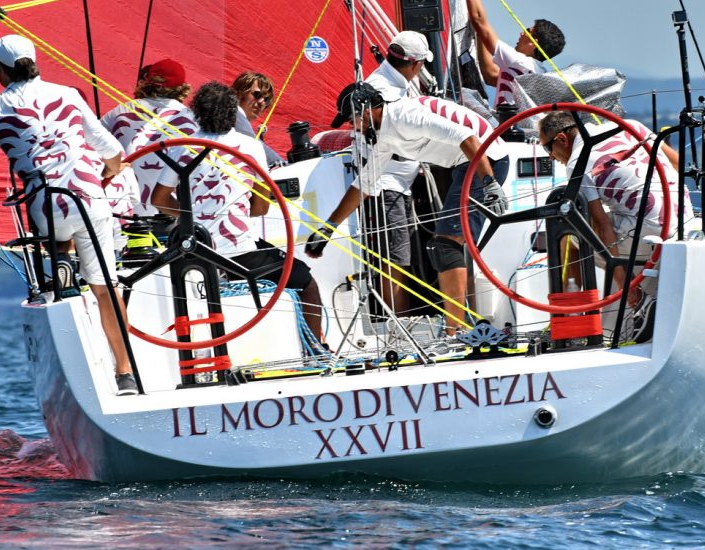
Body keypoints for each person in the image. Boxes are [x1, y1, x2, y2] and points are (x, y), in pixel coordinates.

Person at [0, 34, 137, 395]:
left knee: (57, 235)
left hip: (46, 209)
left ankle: (62, 265)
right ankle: (125, 373)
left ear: (3, 70)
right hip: (90, 200)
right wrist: (109, 172)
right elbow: (111, 150)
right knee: (106, 287)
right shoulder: (67, 95)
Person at [307, 82, 509, 337]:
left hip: (485, 161)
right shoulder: (386, 134)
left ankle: (456, 333)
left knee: (446, 246)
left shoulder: (405, 116)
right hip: (466, 164)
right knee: (447, 246)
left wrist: (489, 184)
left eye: (352, 120)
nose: (353, 128)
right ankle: (460, 330)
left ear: (366, 111)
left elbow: (467, 137)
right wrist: (327, 229)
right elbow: (364, 185)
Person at [150, 82, 329, 347]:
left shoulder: (182, 147)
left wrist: (190, 216)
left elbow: (158, 199)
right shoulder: (250, 147)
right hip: (241, 252)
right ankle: (317, 349)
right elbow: (261, 207)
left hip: (195, 250)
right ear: (233, 112)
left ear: (198, 112)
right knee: (306, 282)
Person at [537, 110, 692, 333]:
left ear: (562, 139)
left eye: (547, 149)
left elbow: (601, 225)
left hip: (651, 232)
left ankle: (571, 321)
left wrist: (626, 286)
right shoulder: (631, 125)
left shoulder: (577, 162)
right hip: (685, 219)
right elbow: (677, 163)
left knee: (568, 233)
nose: (551, 157)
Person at [343, 31, 429, 316]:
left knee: (400, 257)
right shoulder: (383, 89)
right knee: (395, 259)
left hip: (397, 183)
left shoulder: (389, 83)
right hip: (385, 185)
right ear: (415, 64)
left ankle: (399, 321)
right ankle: (397, 326)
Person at [457, 0, 566, 108]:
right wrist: (480, 35)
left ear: (534, 42)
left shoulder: (521, 62)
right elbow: (491, 75)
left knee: (461, 96)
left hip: (507, 121)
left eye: (528, 31)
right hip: (512, 122)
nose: (522, 33)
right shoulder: (539, 73)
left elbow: (479, 20)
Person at [101, 58, 198, 215]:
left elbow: (92, 142)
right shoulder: (193, 119)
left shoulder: (120, 110)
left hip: (123, 210)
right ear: (182, 89)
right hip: (171, 213)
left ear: (147, 82)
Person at [231, 71, 282, 167]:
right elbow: (253, 144)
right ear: (239, 93)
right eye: (257, 95)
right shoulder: (233, 112)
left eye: (266, 100)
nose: (262, 102)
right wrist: (287, 166)